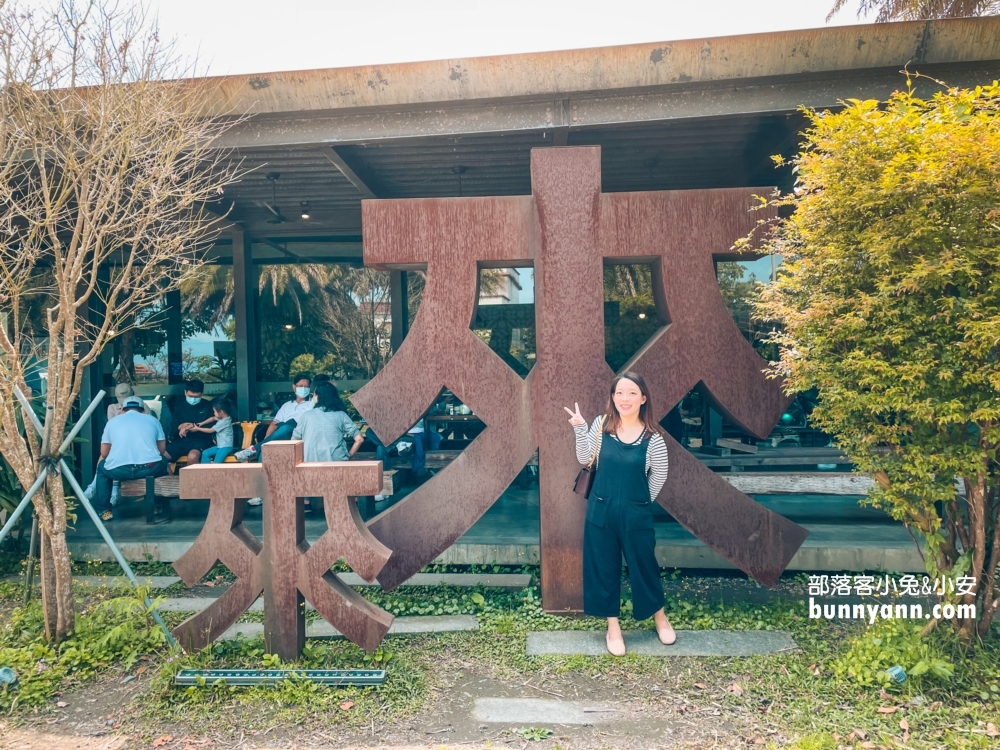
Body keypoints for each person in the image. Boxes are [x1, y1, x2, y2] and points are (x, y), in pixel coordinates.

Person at [565, 371, 675, 656]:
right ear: (612, 398)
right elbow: (584, 456)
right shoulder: (602, 426)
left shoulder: (654, 439)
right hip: (600, 511)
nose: (624, 398)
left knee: (644, 567)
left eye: (631, 393)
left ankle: (660, 619)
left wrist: (639, 502)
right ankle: (613, 628)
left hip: (636, 514)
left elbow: (659, 475)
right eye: (619, 393)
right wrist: (579, 427)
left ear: (643, 398)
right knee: (603, 568)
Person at [93, 396, 171, 521]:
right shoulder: (153, 420)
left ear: (122, 410)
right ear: (143, 410)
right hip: (148, 468)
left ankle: (104, 510)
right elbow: (161, 451)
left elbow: (104, 453)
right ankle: (157, 506)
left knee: (102, 468)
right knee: (162, 463)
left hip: (119, 470)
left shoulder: (112, 422)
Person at [234, 373, 313, 462]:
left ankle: (253, 450)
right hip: (282, 433)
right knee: (265, 449)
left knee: (288, 425)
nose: (303, 389)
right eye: (300, 386)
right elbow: (274, 424)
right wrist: (266, 441)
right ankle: (260, 458)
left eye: (306, 387)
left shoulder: (312, 403)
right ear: (294, 387)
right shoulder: (287, 405)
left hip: (298, 433)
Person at [292, 382, 363, 462]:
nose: (313, 397)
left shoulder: (306, 416)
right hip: (337, 462)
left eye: (314, 394)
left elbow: (294, 440)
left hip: (311, 462)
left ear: (318, 396)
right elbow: (359, 439)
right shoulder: (341, 415)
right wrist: (348, 457)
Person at [165, 379, 215, 465]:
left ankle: (192, 479)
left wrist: (190, 427)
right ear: (185, 392)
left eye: (197, 397)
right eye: (191, 396)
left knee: (193, 457)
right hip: (181, 441)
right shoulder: (179, 406)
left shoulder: (208, 406)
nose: (193, 399)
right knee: (161, 457)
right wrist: (180, 427)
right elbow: (173, 427)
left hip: (201, 441)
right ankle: (171, 478)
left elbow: (211, 426)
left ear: (202, 394)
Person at [195, 398, 236, 464]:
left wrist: (197, 428)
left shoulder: (224, 422)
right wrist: (202, 423)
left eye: (214, 411)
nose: (214, 413)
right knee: (205, 453)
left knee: (216, 463)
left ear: (221, 412)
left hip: (226, 447)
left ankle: (211, 472)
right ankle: (205, 471)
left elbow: (210, 430)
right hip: (220, 446)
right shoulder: (224, 417)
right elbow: (213, 418)